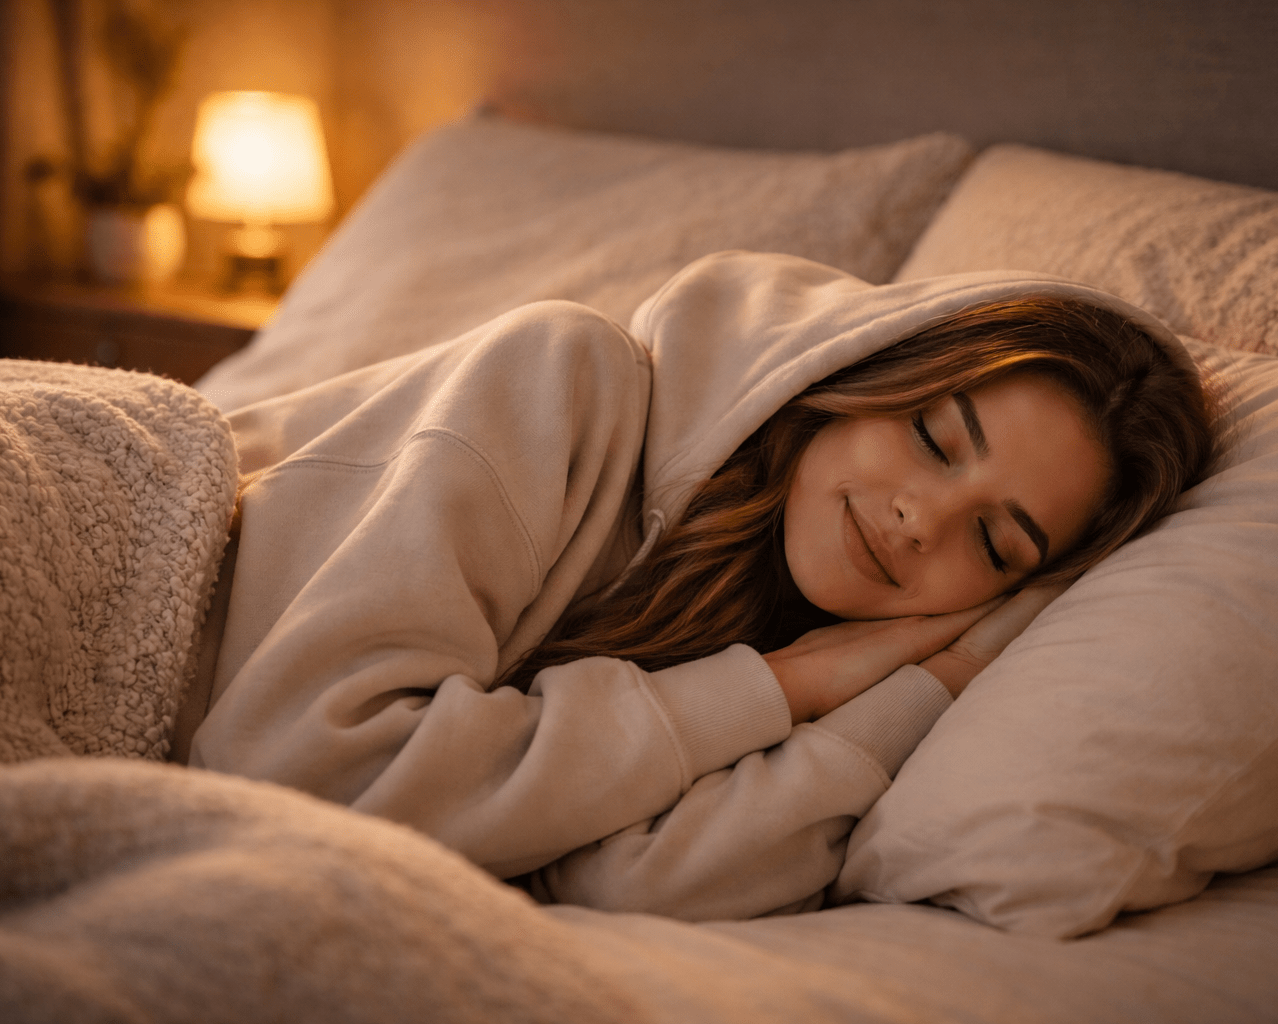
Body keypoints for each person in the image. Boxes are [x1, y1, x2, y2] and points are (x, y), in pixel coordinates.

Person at [185, 251, 1214, 920]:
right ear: (858, 369)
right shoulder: (564, 378)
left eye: (994, 546)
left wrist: (913, 680)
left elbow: (630, 879)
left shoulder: (786, 635)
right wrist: (783, 686)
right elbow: (296, 769)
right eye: (934, 437)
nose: (921, 521)